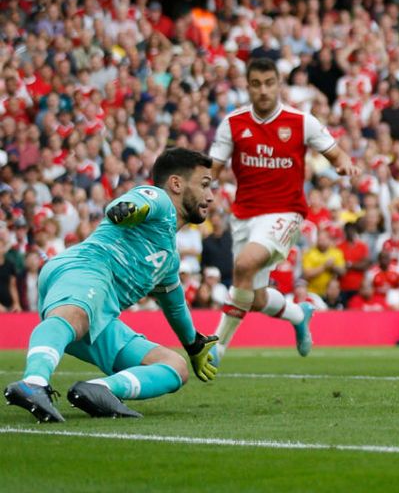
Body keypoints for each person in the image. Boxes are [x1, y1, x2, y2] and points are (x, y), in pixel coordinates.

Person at [4, 148, 219, 422]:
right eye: (204, 185)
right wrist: (130, 210)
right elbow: (138, 202)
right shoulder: (160, 201)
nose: (210, 196)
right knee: (77, 314)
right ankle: (33, 382)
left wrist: (193, 346)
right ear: (176, 184)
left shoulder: (169, 261)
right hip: (85, 269)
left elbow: (175, 307)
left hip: (100, 314)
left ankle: (100, 389)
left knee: (174, 367)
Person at [208, 57, 361, 364]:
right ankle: (298, 315)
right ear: (247, 86)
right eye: (256, 84)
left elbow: (334, 151)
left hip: (286, 212)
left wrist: (344, 163)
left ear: (278, 85)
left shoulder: (300, 121)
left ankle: (217, 347)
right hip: (244, 216)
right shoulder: (233, 124)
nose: (263, 90)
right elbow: (211, 169)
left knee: (245, 264)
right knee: (256, 297)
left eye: (269, 83)